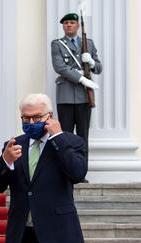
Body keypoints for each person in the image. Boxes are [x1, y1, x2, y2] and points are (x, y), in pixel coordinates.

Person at [0, 94, 87, 243]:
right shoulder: (14, 145)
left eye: (37, 117)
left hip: (58, 237)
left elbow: (77, 173)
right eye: (26, 118)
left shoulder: (71, 142)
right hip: (22, 238)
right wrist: (5, 161)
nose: (31, 122)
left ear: (50, 116)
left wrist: (57, 137)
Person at [51, 13, 103, 183]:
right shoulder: (57, 44)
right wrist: (81, 77)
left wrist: (92, 63)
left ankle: (80, 173)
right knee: (64, 135)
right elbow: (60, 67)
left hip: (83, 97)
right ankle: (65, 173)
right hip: (65, 96)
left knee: (82, 137)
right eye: (66, 23)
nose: (68, 25)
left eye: (72, 22)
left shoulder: (89, 43)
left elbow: (99, 68)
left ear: (77, 26)